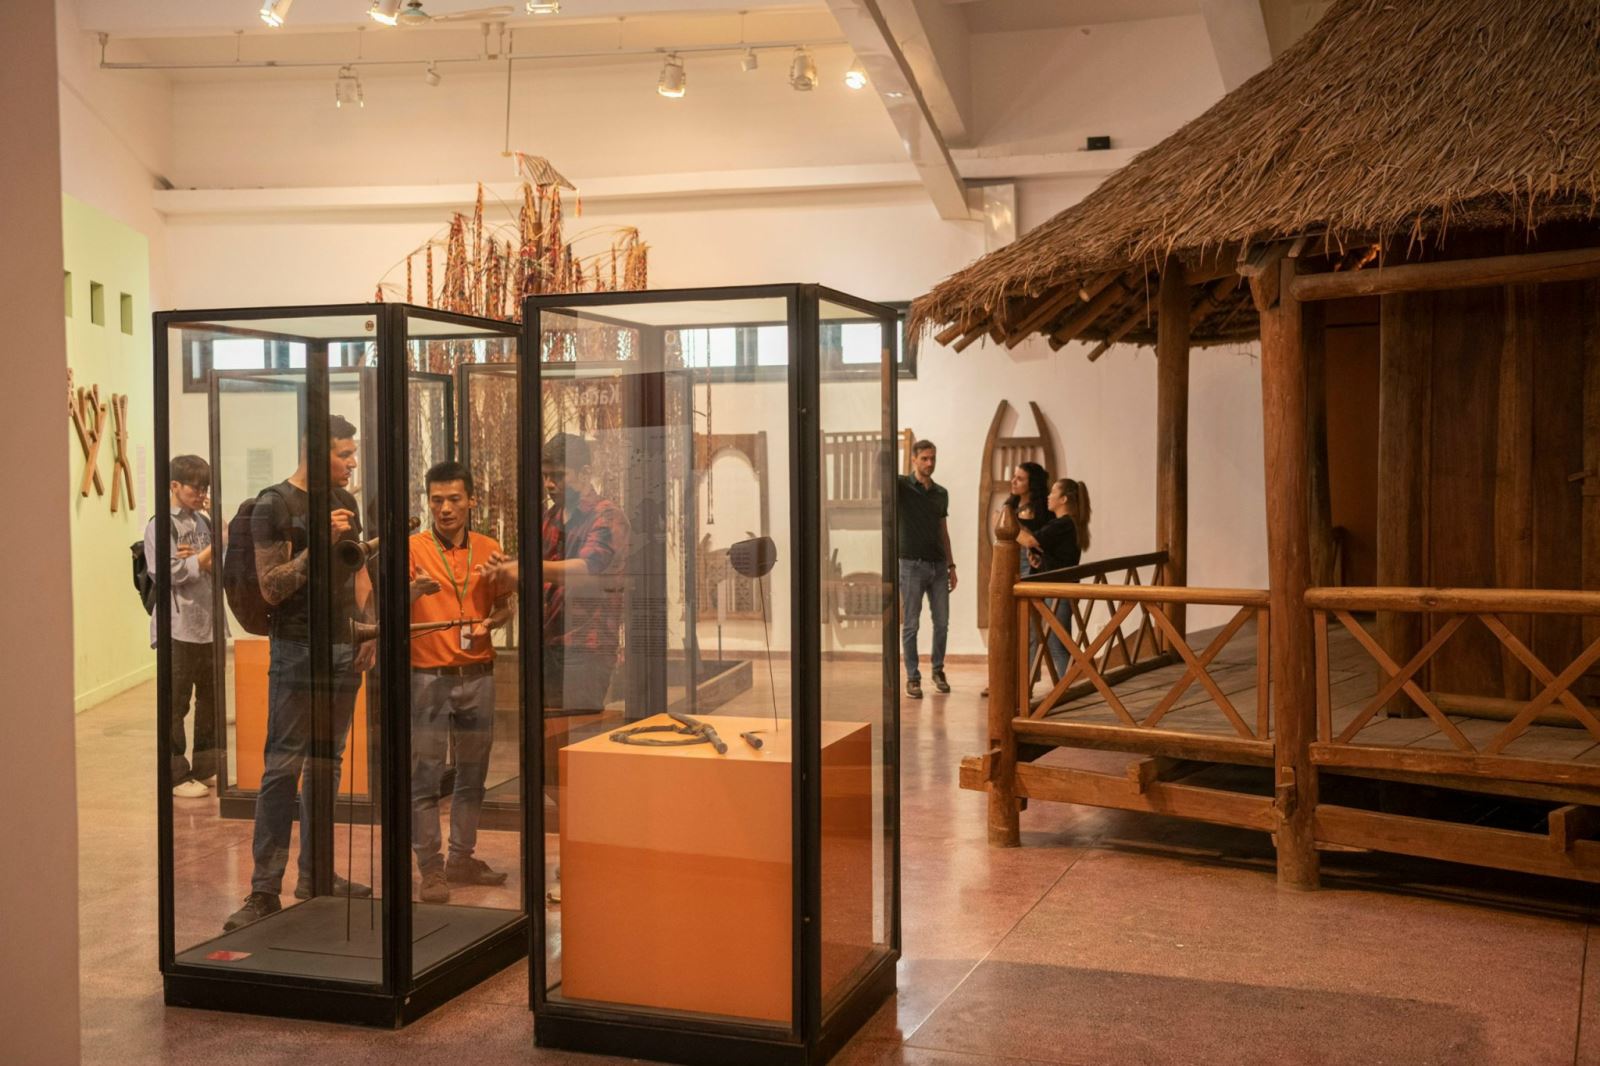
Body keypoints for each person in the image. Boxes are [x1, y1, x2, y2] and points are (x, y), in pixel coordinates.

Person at [225, 414, 375, 932]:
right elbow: (271, 587)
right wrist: (319, 547)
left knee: (327, 764)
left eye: (352, 453)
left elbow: (358, 572)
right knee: (282, 766)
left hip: (343, 646)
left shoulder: (346, 501)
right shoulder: (275, 504)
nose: (352, 463)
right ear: (315, 451)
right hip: (295, 648)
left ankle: (318, 873)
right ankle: (264, 889)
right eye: (343, 454)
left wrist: (369, 630)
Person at [408, 461, 516, 904]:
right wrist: (413, 592)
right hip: (427, 676)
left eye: (454, 499)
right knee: (425, 775)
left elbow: (506, 605)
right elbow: (385, 606)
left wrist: (495, 621)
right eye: (437, 500)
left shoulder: (489, 548)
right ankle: (430, 868)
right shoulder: (412, 548)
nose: (445, 509)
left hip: (478, 674)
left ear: (471, 500)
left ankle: (461, 858)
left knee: (473, 774)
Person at [477, 432, 629, 713]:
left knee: (579, 729)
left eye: (558, 475)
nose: (549, 484)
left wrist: (523, 568)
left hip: (586, 647)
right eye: (545, 475)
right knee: (547, 728)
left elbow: (586, 570)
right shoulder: (549, 517)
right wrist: (507, 571)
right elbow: (540, 579)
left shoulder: (607, 516)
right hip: (547, 644)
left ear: (585, 473)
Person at [146, 454, 221, 799]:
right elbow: (167, 573)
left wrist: (198, 559)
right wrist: (201, 559)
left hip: (207, 625)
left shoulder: (203, 522)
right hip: (178, 627)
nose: (201, 493)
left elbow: (216, 566)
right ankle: (176, 775)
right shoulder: (161, 525)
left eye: (205, 487)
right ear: (174, 485)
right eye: (195, 487)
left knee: (210, 700)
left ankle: (206, 767)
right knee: (176, 703)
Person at [897, 439, 955, 700]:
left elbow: (943, 531)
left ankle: (938, 670)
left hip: (939, 566)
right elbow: (879, 477)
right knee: (911, 624)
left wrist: (951, 565)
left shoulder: (941, 493)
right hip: (911, 565)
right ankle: (912, 677)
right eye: (924, 459)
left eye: (933, 458)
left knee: (942, 623)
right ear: (914, 459)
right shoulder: (902, 485)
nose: (930, 463)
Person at [1018, 478, 1093, 678]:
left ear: (1064, 499)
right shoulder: (1066, 524)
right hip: (1060, 589)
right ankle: (1068, 688)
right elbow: (1059, 557)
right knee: (1057, 643)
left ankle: (1068, 689)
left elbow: (1030, 540)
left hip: (1060, 591)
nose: (1048, 497)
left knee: (1058, 644)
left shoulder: (1064, 523)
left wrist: (1007, 526)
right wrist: (1040, 562)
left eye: (1053, 493)